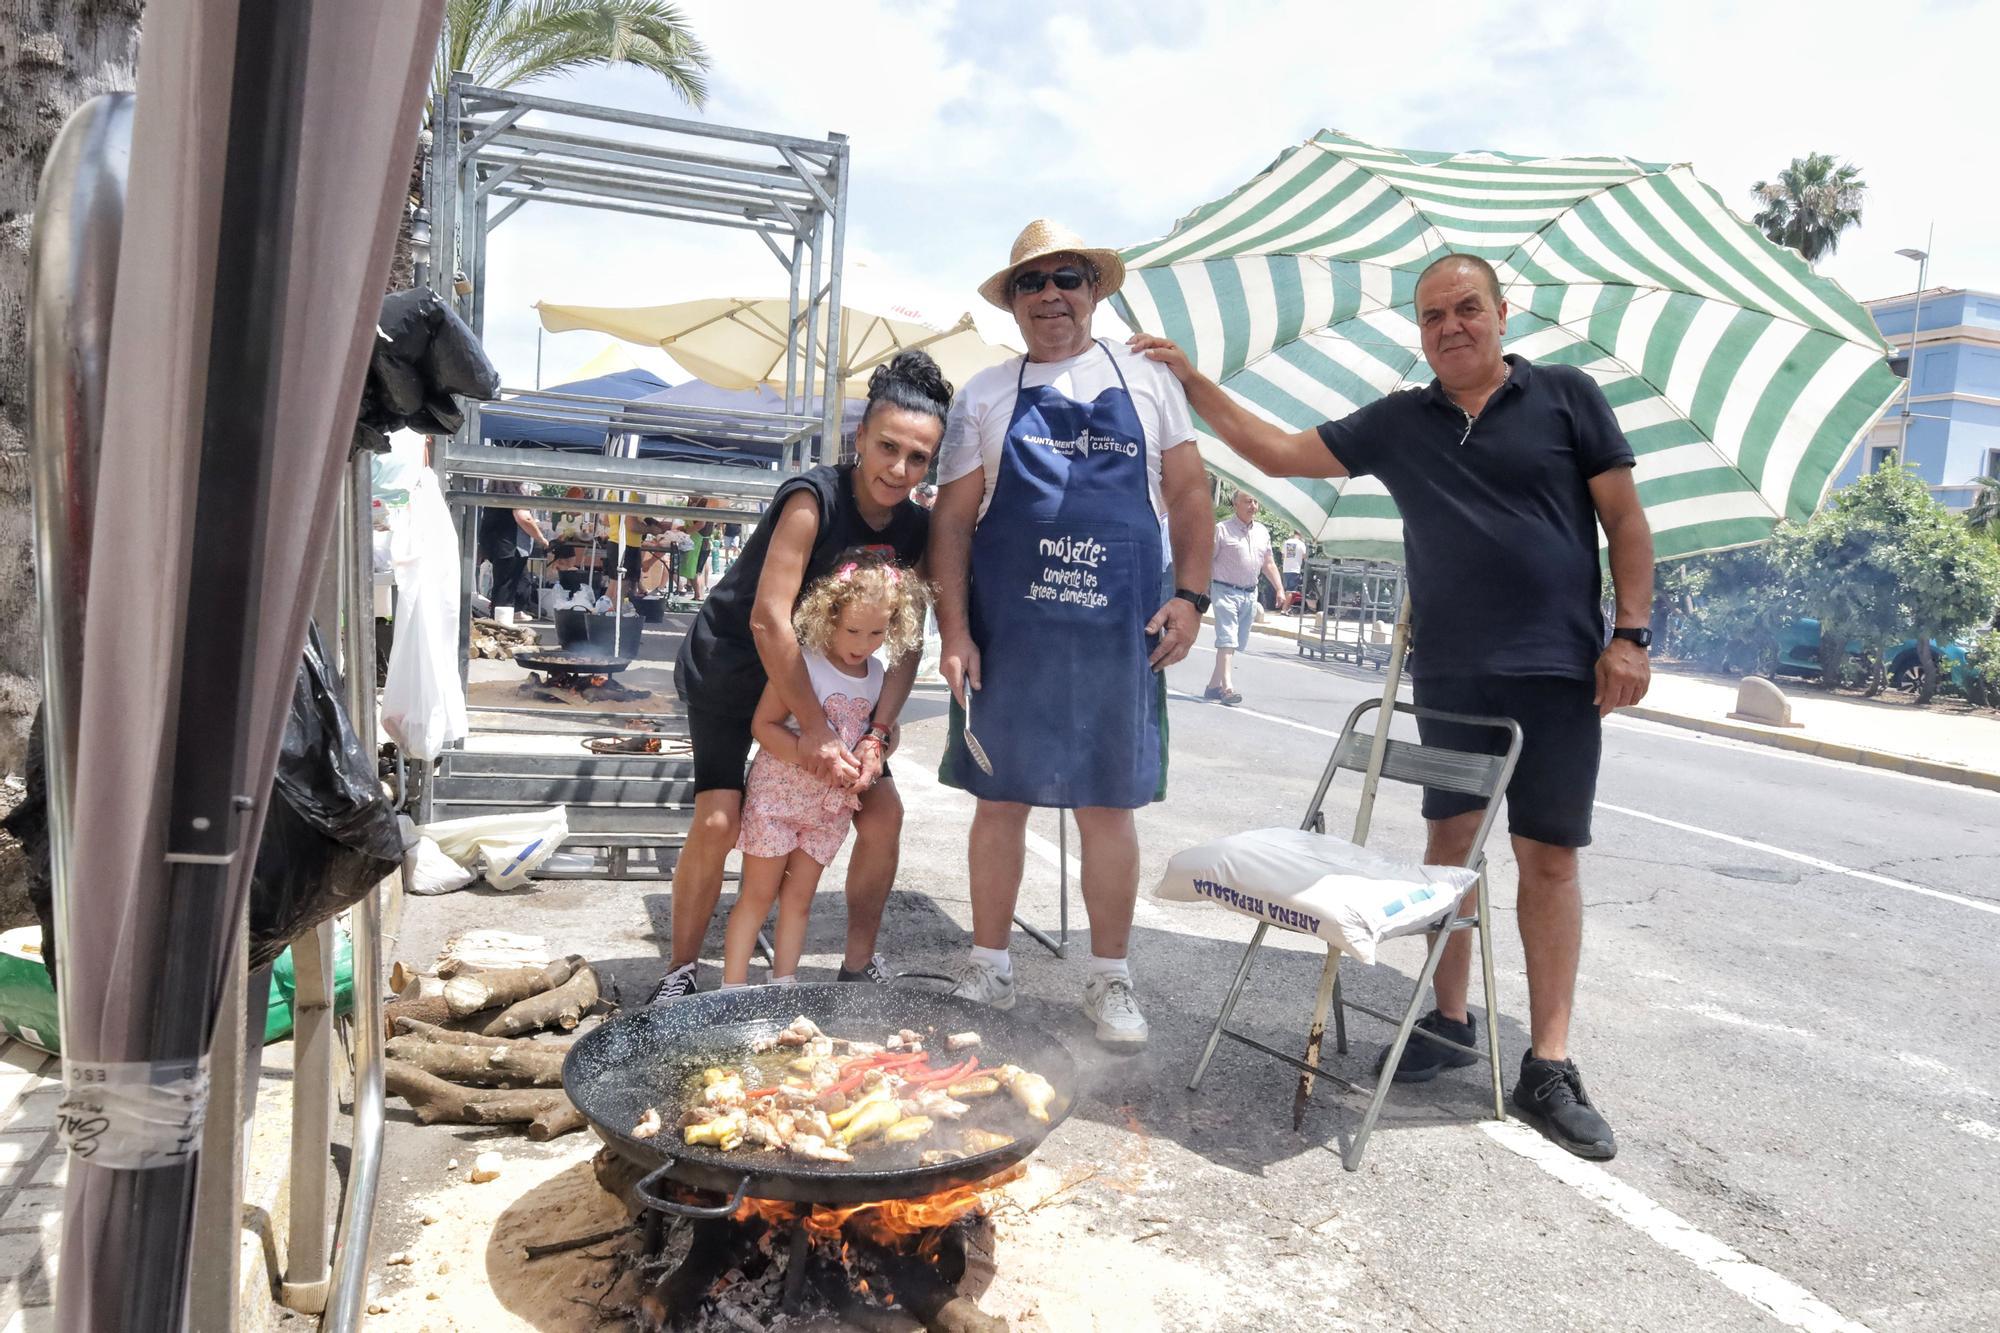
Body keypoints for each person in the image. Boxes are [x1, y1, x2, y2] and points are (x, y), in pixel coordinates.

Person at [1132, 252, 1655, 1159]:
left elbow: (1626, 522)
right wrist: (1193, 381)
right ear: (1421, 332)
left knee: (1549, 859)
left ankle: (1550, 1062)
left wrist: (1633, 635)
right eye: (1432, 316)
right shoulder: (1400, 423)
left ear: (1501, 314)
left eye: (1466, 309)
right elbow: (1279, 453)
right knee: (1446, 846)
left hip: (1559, 674)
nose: (1450, 326)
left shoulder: (1569, 396)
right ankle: (1447, 1019)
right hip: (1450, 673)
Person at [932, 220, 1212, 1049]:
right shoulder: (984, 393)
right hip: (1008, 630)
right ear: (1013, 303)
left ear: (1094, 290)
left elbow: (1193, 498)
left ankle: (1110, 978)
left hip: (1117, 633)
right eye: (1031, 283)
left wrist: (1192, 595)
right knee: (999, 798)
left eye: (1068, 278)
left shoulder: (1151, 380)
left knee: (1108, 805)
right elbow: (950, 523)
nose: (1051, 294)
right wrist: (954, 629)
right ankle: (989, 962)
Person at [653, 350, 950, 1003]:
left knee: (883, 813)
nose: (899, 468)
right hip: (736, 665)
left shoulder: (916, 529)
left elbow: (905, 642)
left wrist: (878, 729)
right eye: (887, 446)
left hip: (838, 685)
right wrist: (812, 728)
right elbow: (767, 620)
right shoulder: (812, 499)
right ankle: (679, 971)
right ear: (859, 438)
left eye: (918, 457)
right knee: (719, 820)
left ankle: (856, 965)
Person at [721, 561, 931, 986]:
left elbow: (888, 733)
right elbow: (763, 726)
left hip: (827, 812)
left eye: (877, 633)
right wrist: (813, 759)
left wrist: (873, 757)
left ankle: (784, 985)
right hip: (776, 802)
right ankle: (732, 988)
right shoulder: (804, 666)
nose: (863, 644)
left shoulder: (876, 675)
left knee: (800, 900)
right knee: (757, 897)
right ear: (829, 616)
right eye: (853, 631)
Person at [1204, 489, 1283, 706]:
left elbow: (1268, 563)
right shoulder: (1221, 530)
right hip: (1224, 590)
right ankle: (1227, 688)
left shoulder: (1262, 532)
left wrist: (1279, 589)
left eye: (1256, 501)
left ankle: (1212, 686)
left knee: (1234, 642)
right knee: (1227, 638)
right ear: (1235, 504)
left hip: (1250, 593)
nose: (1253, 506)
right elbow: (1206, 559)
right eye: (1248, 501)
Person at [478, 480, 549, 617]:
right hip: (509, 546)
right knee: (506, 585)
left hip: (496, 545)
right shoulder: (513, 495)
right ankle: (501, 621)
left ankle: (513, 611)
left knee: (516, 581)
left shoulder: (492, 495)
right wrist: (541, 538)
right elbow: (524, 518)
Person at [1280, 531, 1308, 613]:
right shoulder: (1301, 544)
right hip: (1295, 569)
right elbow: (1304, 556)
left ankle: (1287, 608)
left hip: (1286, 569)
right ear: (1300, 534)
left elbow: (1283, 555)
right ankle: (1284, 609)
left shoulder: (1287, 542)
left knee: (1287, 590)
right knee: (1291, 590)